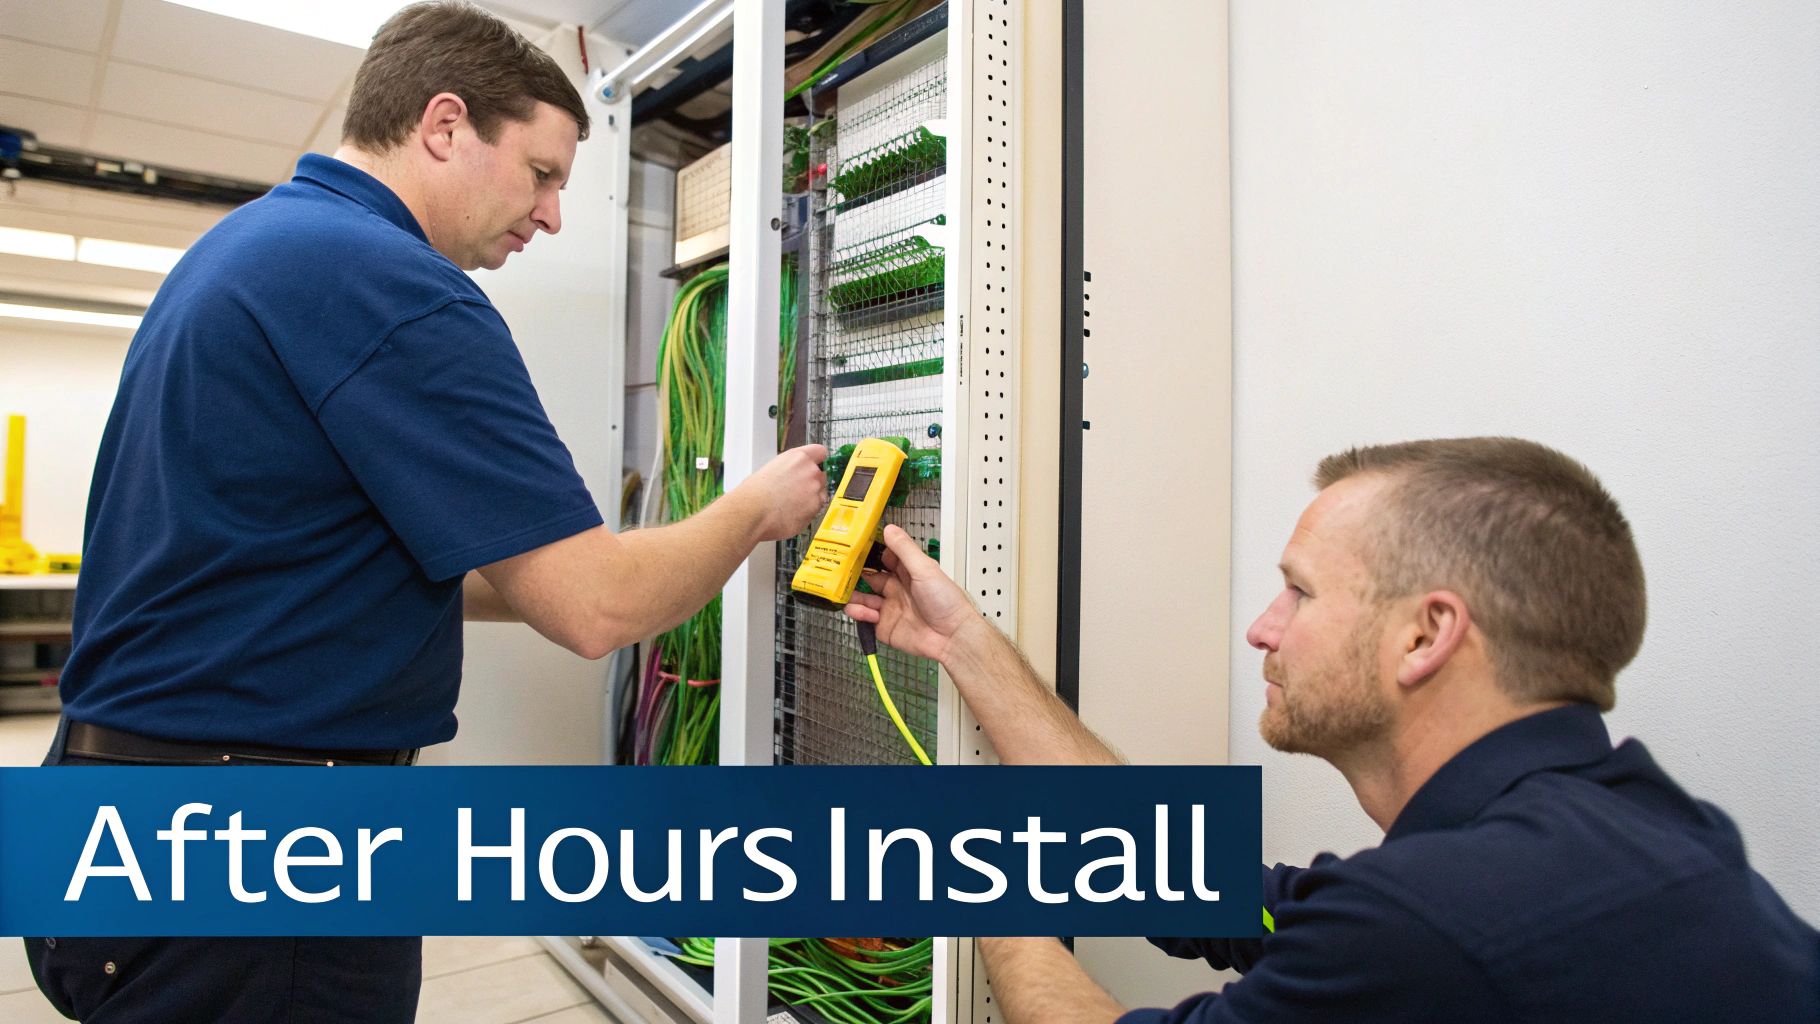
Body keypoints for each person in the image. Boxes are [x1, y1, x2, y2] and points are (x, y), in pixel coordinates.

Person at [25, 3, 826, 1021]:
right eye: (541, 173)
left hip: (123, 816)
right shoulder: (395, 285)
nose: (552, 216)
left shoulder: (253, 246)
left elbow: (335, 562)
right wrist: (753, 509)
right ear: (445, 125)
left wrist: (577, 561)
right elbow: (599, 611)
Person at [846, 437, 1820, 1023]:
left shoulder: (1435, 920)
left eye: (1299, 592)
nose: (1261, 628)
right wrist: (962, 643)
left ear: (1425, 635)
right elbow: (1193, 879)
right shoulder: (1639, 831)